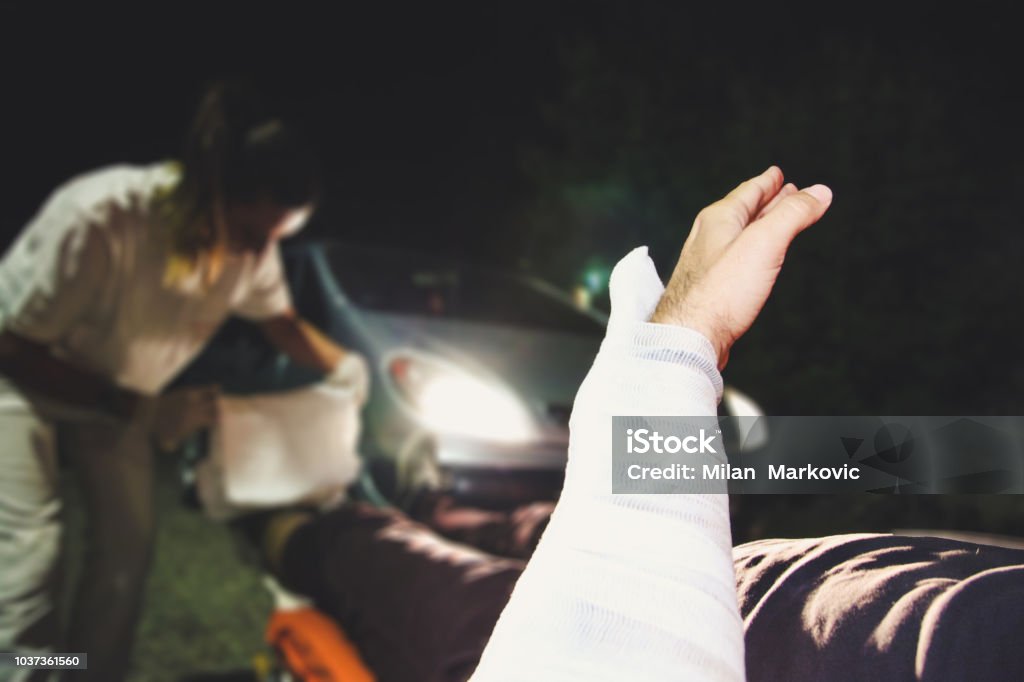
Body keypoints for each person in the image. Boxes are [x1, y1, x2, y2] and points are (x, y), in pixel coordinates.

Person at [259, 168, 1023, 681]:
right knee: (523, 523)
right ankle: (441, 509)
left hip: (681, 621)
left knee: (413, 574)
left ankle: (303, 531)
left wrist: (670, 357)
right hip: (764, 566)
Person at [0, 83, 367, 681]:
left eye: (276, 238)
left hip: (116, 400)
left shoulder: (250, 244)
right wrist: (141, 410)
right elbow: (11, 347)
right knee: (32, 556)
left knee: (126, 554)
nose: (259, 252)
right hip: (20, 383)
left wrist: (344, 364)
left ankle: (89, 673)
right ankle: (28, 671)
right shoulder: (102, 219)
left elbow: (281, 320)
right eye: (254, 233)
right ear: (210, 196)